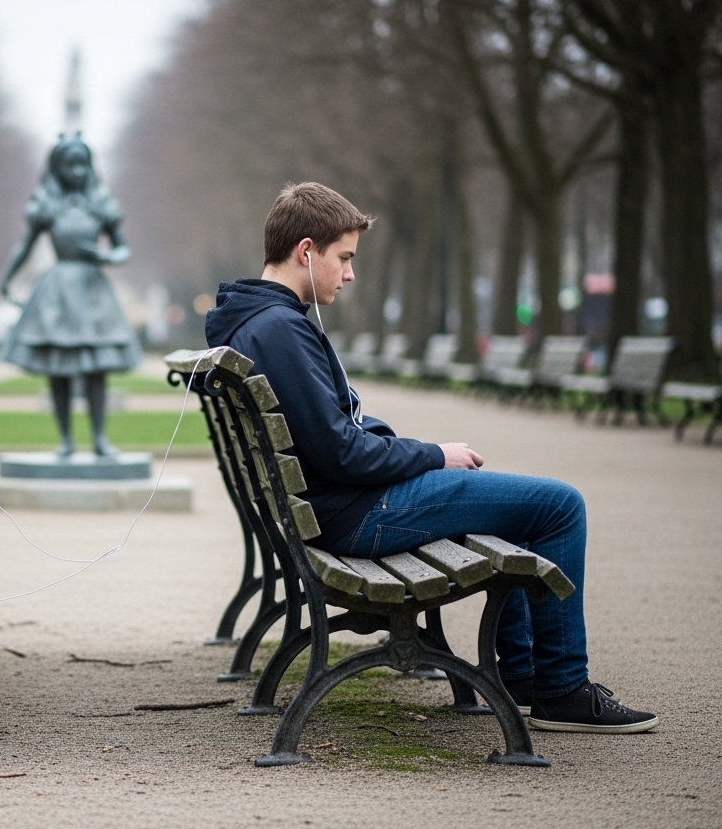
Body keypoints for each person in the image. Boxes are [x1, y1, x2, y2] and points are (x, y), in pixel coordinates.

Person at [204, 181, 657, 734]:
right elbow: (342, 453)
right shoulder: (281, 328)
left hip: (338, 507)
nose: (350, 273)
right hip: (357, 516)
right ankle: (561, 688)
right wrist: (433, 454)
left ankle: (523, 680)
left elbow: (333, 431)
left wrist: (404, 448)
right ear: (306, 251)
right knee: (559, 505)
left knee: (517, 507)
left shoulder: (260, 322)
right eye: (344, 258)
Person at [0, 134, 142, 457]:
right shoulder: (47, 204)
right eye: (69, 165)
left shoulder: (101, 202)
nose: (77, 171)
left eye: (82, 164)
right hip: (58, 289)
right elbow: (25, 245)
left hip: (92, 289)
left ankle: (100, 438)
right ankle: (66, 439)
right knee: (58, 368)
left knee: (96, 369)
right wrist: (6, 279)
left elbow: (122, 248)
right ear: (57, 168)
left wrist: (107, 257)